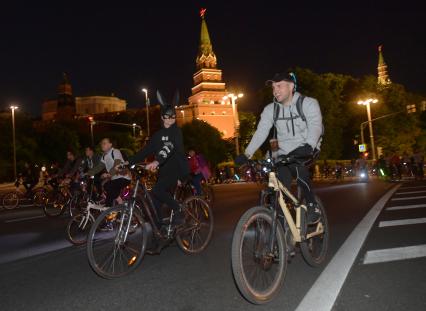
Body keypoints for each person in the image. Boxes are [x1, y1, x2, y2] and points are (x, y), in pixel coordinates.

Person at [236, 71, 323, 224]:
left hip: (307, 147)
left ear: (291, 87)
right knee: (278, 183)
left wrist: (309, 145)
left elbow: (316, 126)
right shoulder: (271, 109)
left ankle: (312, 204)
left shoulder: (308, 103)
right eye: (273, 87)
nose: (275, 90)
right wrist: (247, 154)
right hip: (283, 153)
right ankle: (283, 225)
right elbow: (261, 131)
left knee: (298, 167)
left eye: (279, 86)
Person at [129, 91, 190, 226]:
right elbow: (146, 150)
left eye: (173, 116)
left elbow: (170, 146)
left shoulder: (176, 132)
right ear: (162, 117)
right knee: (153, 202)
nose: (170, 119)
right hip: (164, 173)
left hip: (177, 170)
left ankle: (178, 209)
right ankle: (158, 234)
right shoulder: (157, 135)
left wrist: (157, 161)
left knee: (157, 190)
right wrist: (128, 161)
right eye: (167, 116)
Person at [87, 138, 131, 207]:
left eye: (104, 143)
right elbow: (99, 167)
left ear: (110, 145)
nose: (102, 145)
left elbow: (117, 164)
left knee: (108, 186)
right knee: (106, 188)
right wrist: (88, 173)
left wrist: (108, 174)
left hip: (124, 177)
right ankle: (114, 207)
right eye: (101, 143)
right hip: (115, 179)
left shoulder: (115, 151)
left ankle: (114, 206)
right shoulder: (104, 156)